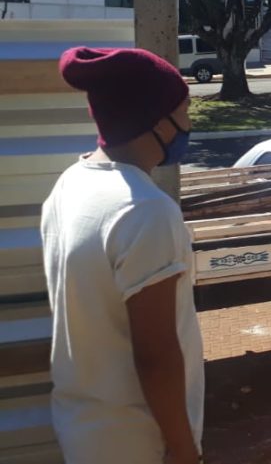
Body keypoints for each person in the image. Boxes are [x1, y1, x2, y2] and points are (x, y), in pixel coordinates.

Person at [42, 47, 204, 464]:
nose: (187, 124)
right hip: (139, 442)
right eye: (183, 111)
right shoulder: (146, 211)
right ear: (155, 121)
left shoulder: (71, 183)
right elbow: (156, 357)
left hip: (84, 429)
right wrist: (185, 450)